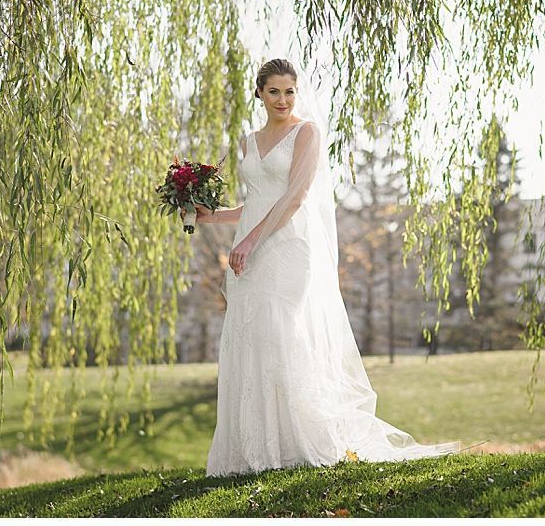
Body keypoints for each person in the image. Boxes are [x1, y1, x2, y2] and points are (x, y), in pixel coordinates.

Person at [188, 58, 460, 477]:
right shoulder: (247, 142)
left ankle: (298, 443)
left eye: (290, 91)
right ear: (259, 92)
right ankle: (252, 451)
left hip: (288, 247)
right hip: (251, 247)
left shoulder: (306, 133)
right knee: (251, 338)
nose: (283, 99)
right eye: (274, 91)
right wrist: (214, 216)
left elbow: (294, 199)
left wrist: (249, 240)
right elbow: (256, 202)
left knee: (279, 335)